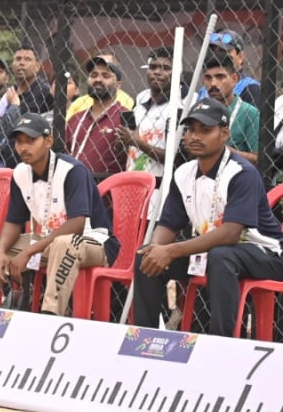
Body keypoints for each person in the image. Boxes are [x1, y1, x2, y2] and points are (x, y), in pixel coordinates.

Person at [132, 98, 283, 337]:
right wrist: (157, 249)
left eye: (205, 130)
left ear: (224, 134)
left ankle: (219, 344)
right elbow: (168, 224)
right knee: (145, 255)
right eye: (191, 130)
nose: (195, 136)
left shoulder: (241, 173)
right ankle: (144, 338)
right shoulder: (184, 173)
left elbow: (231, 234)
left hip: (265, 253)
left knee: (222, 256)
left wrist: (171, 251)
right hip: (214, 253)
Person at [0, 113, 119, 315]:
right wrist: (1, 253)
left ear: (48, 141)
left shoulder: (72, 170)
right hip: (47, 242)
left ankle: (49, 316)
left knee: (65, 243)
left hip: (92, 242)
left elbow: (77, 224)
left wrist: (29, 251)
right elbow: (13, 222)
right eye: (19, 142)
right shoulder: (20, 172)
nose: (23, 147)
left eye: (30, 141)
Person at [118, 47, 180, 183]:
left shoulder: (180, 104)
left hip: (159, 187)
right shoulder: (141, 97)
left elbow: (175, 158)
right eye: (153, 67)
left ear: (177, 72)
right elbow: (130, 142)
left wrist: (136, 142)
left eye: (165, 68)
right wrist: (124, 139)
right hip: (133, 181)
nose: (157, 72)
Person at [64, 56, 127, 181]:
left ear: (118, 85)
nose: (98, 79)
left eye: (106, 75)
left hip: (105, 195)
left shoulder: (124, 116)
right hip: (71, 191)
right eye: (93, 75)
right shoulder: (76, 118)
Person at [202, 51, 259, 164]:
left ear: (234, 79)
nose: (213, 83)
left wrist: (222, 150)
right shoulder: (201, 110)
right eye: (208, 78)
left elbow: (257, 159)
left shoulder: (249, 112)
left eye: (220, 77)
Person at [11, 46, 53, 114]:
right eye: (18, 59)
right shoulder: (9, 92)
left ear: (37, 66)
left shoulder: (46, 92)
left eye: (27, 59)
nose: (21, 63)